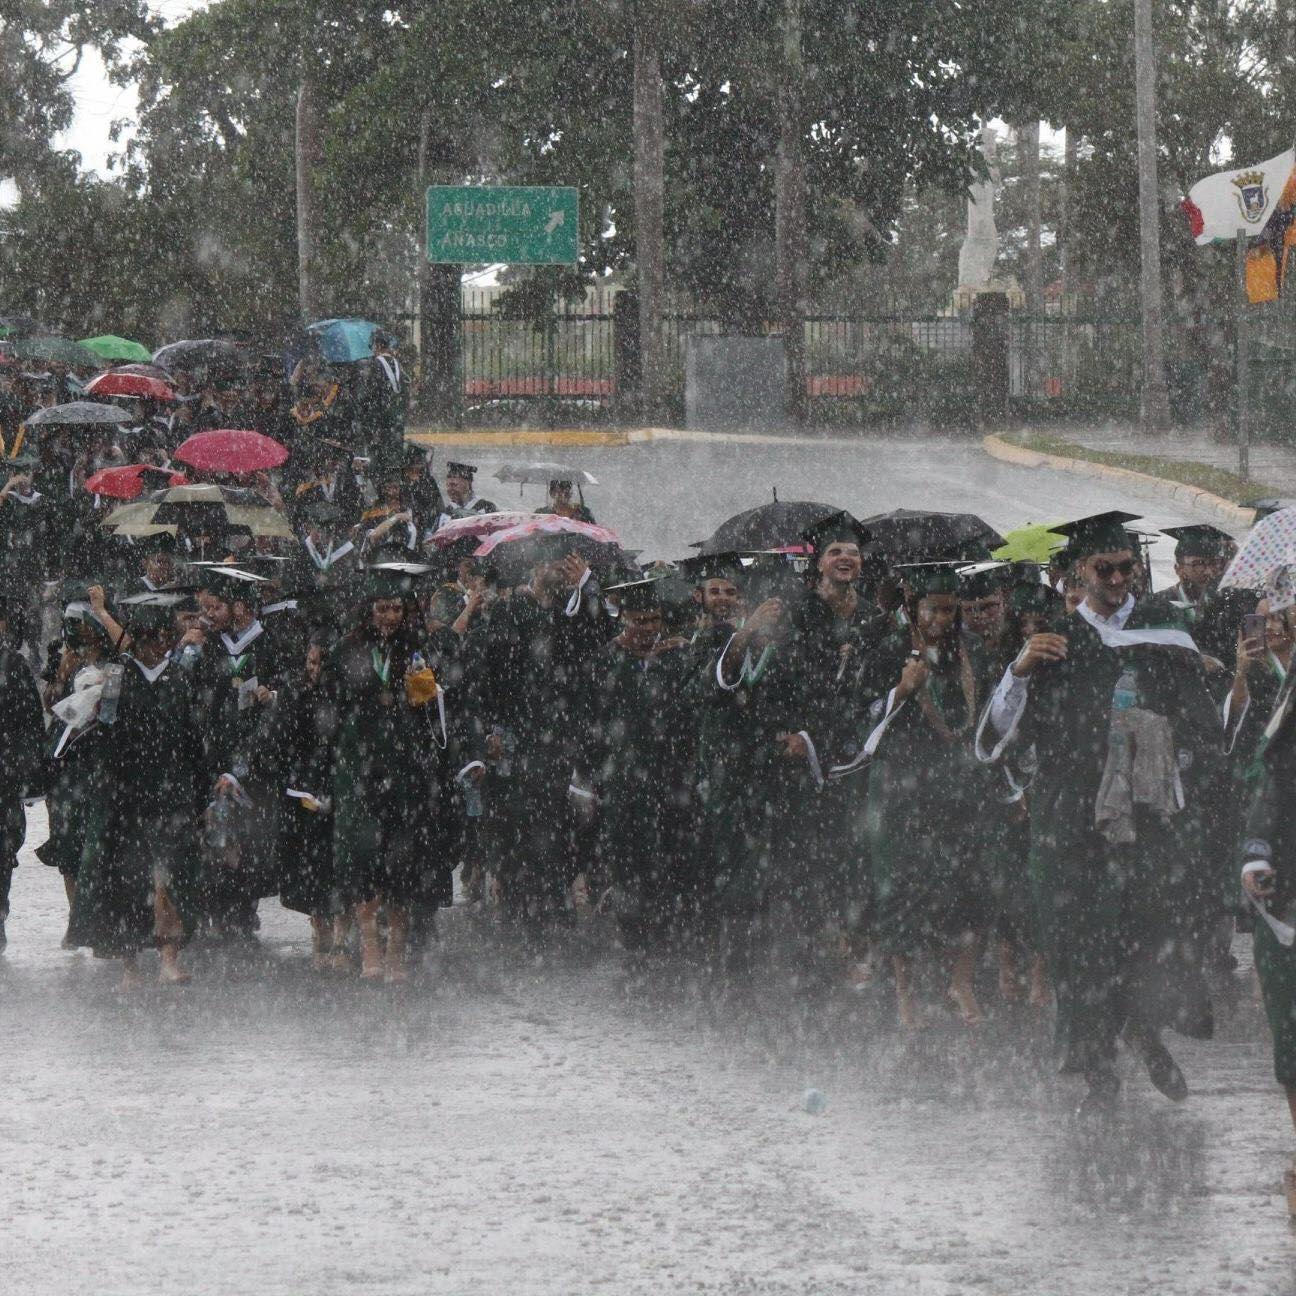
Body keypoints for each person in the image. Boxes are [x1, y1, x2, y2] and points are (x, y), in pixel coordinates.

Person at [984, 511, 1221, 1114]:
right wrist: (1018, 671)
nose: (1118, 578)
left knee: (1147, 938)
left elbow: (1202, 725)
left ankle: (1144, 1031)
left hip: (1145, 819)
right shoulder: (1054, 644)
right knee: (1080, 945)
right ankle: (1097, 1070)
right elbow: (995, 739)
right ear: (1077, 573)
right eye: (1104, 568)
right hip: (1072, 822)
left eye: (1126, 567)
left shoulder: (1163, 631)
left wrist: (1165, 754)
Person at [853, 562, 996, 1028]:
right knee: (903, 892)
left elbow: (986, 712)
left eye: (951, 609)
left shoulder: (969, 651)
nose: (943, 619)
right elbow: (862, 718)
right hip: (901, 788)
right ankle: (906, 997)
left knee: (970, 888)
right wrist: (901, 690)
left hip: (959, 786)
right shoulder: (887, 648)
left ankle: (961, 982)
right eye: (933, 609)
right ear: (915, 608)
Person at [320, 564, 455, 982]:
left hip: (405, 766)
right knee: (361, 859)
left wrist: (431, 690)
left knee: (401, 859)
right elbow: (329, 708)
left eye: (396, 609)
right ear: (369, 610)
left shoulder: (418, 648)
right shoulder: (346, 651)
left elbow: (434, 707)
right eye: (382, 609)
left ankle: (395, 950)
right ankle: (369, 948)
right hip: (359, 765)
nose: (390, 617)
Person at [587, 577, 693, 954]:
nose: (649, 628)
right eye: (641, 620)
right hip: (623, 778)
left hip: (669, 774)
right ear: (625, 618)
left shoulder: (676, 656)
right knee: (627, 855)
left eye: (655, 620)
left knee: (664, 852)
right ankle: (632, 931)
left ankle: (663, 928)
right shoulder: (606, 659)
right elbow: (594, 723)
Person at [1237, 605, 1296, 1214]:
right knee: (1292, 1029)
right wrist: (1257, 852)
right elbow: (1274, 781)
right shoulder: (1287, 696)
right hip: (1291, 883)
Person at [0, 580, 46, 949]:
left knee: (4, 845)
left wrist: (22, 769)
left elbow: (30, 723)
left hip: (3, 776)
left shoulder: (12, 666)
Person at [436, 461, 497, 527]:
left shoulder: (486, 508)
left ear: (468, 484)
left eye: (454, 485)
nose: (451, 490)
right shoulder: (445, 514)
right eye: (448, 485)